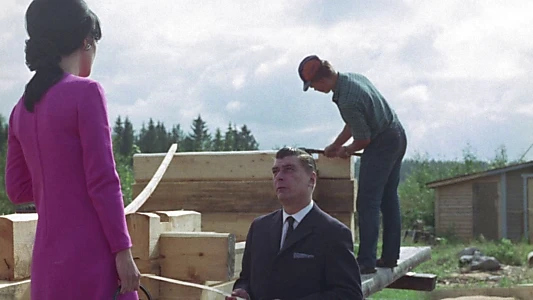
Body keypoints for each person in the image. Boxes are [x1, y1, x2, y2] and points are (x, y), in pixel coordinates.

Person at [5, 0, 140, 298]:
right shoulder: (86, 93)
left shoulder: (20, 110)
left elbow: (16, 189)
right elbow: (104, 181)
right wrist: (123, 251)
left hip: (47, 266)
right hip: (94, 260)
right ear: (86, 40)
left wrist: (54, 182)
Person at [297, 55, 407, 274]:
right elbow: (355, 122)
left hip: (382, 142)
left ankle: (366, 261)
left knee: (367, 201)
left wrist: (346, 150)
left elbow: (363, 138)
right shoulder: (351, 79)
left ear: (322, 80)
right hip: (397, 134)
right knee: (387, 198)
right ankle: (389, 256)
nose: (316, 91)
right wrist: (336, 144)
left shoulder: (346, 99)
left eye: (314, 86)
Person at [226, 147, 363, 300]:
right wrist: (242, 292)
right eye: (275, 171)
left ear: (311, 180)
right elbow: (245, 279)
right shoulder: (259, 228)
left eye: (289, 169)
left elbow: (350, 294)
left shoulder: (333, 233)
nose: (279, 177)